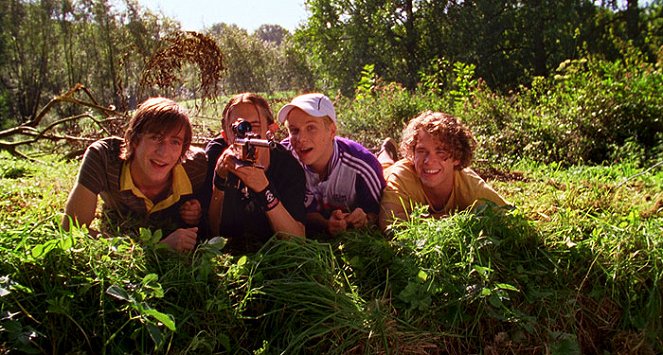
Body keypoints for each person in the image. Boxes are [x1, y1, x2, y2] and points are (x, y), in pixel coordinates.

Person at [62, 97, 208, 251]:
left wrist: (198, 211)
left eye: (175, 142)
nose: (164, 152)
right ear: (134, 139)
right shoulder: (103, 158)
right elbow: (72, 230)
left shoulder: (196, 166)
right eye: (155, 138)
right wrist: (156, 247)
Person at [204, 93, 306, 253]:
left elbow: (297, 240)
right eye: (237, 128)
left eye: (255, 125)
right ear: (225, 136)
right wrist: (219, 181)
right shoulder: (216, 155)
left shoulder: (287, 165)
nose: (247, 133)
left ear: (270, 130)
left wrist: (264, 190)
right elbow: (211, 231)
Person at [379, 111, 509, 231]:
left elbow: (509, 214)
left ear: (457, 157)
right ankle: (384, 151)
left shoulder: (469, 184)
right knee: (383, 164)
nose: (429, 160)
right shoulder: (402, 175)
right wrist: (449, 220)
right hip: (382, 172)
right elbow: (388, 222)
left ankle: (387, 151)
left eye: (440, 152)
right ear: (412, 153)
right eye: (421, 151)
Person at [278, 93, 386, 236]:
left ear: (332, 131)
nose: (301, 139)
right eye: (294, 130)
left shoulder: (362, 165)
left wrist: (366, 219)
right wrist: (325, 224)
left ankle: (386, 153)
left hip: (377, 164)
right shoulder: (283, 158)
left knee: (387, 168)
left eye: (311, 127)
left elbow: (379, 212)